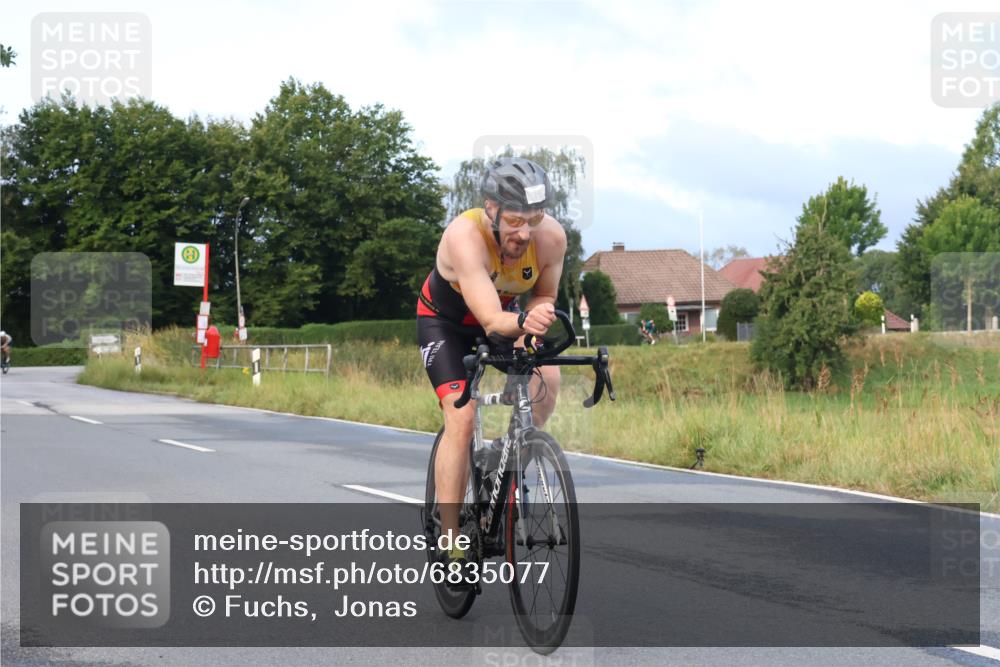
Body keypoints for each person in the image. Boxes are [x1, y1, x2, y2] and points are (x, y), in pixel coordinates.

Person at [416, 157, 567, 582]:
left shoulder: (551, 239)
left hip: (507, 317)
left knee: (547, 377)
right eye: (515, 220)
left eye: (533, 220)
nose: (524, 233)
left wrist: (538, 323)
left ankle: (503, 453)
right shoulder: (465, 236)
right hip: (447, 324)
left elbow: (543, 295)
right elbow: (491, 320)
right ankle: (450, 540)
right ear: (491, 209)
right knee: (461, 417)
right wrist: (524, 323)